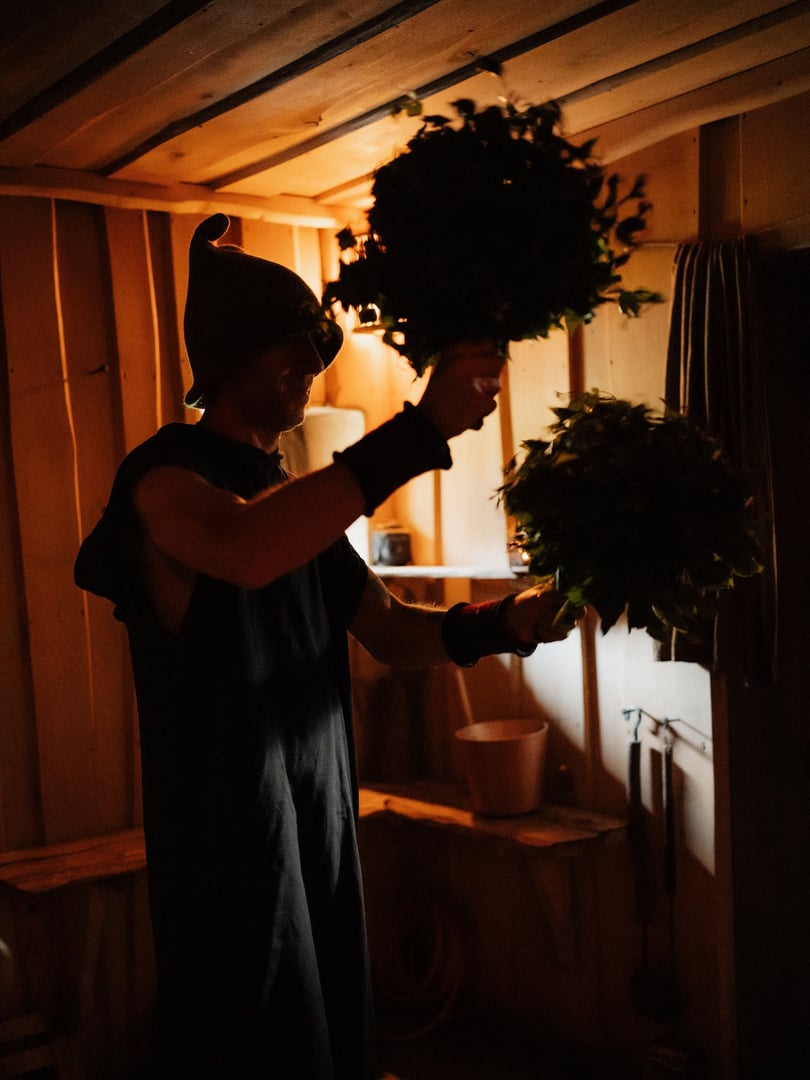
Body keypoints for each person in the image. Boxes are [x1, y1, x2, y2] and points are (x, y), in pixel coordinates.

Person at [74, 214, 570, 1079]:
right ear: (239, 361)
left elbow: (387, 630)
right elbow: (243, 552)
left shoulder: (285, 496)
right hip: (227, 847)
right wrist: (417, 434)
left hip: (317, 825)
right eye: (295, 351)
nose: (312, 368)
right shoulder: (163, 482)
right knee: (249, 1047)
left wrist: (505, 625)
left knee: (329, 1037)